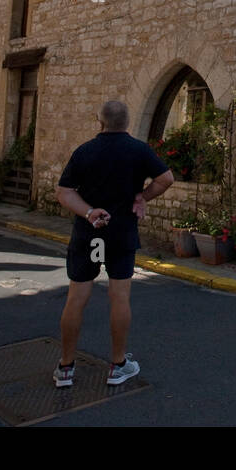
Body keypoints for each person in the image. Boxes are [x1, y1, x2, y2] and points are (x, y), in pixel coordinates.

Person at [52, 100, 174, 388]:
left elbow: (64, 191)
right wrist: (143, 196)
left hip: (89, 232)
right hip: (121, 232)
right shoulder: (138, 150)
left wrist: (88, 211)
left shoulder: (84, 151)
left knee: (77, 298)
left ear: (100, 121)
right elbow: (166, 178)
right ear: (127, 122)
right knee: (119, 297)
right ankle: (118, 365)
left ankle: (66, 367)